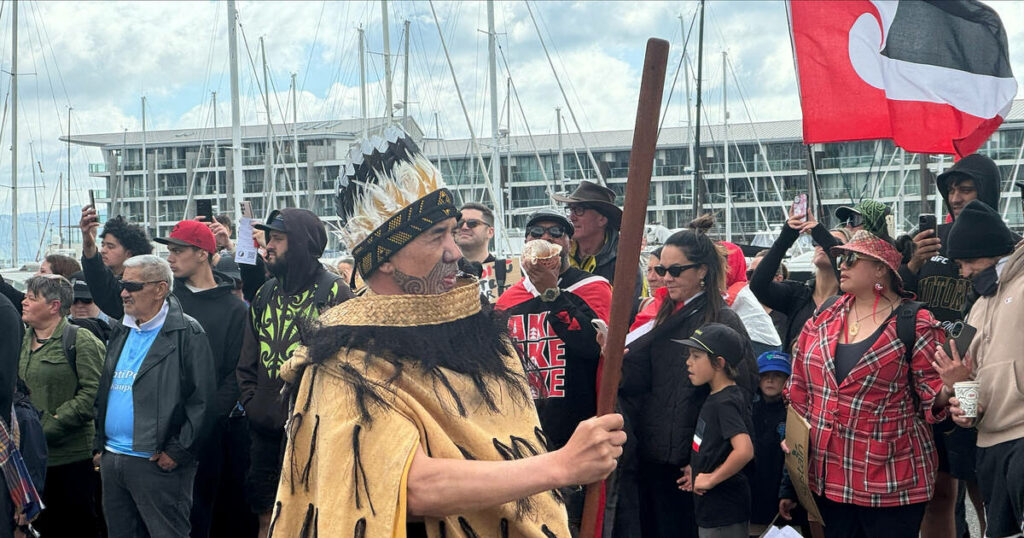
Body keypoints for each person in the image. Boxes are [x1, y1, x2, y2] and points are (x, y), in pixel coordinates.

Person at [269, 128, 623, 536]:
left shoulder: (479, 332)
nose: (454, 250)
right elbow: (409, 485)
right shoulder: (344, 360)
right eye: (437, 236)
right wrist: (561, 466)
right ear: (384, 259)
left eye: (453, 231)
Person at [780, 231, 952, 538]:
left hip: (891, 480)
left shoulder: (916, 322)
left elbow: (932, 399)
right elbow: (799, 389)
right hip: (828, 477)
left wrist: (952, 387)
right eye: (840, 258)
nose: (841, 265)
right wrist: (794, 446)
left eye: (851, 258)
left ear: (880, 268)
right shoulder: (824, 315)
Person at [616, 214, 757, 538]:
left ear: (702, 271)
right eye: (662, 270)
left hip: (693, 465)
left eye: (676, 270)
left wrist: (707, 463)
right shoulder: (665, 314)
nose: (666, 277)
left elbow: (739, 396)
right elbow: (643, 381)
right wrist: (617, 363)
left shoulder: (722, 319)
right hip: (658, 458)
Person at [901, 154, 1007, 538]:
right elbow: (896, 298)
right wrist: (911, 263)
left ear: (988, 191)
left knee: (987, 490)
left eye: (967, 188)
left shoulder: (1005, 247)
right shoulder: (931, 243)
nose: (957, 197)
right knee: (939, 491)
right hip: (929, 383)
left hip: (981, 382)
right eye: (951, 191)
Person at [235, 208, 353, 537]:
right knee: (266, 518)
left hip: (316, 431)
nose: (268, 246)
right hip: (265, 433)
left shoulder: (336, 294)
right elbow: (248, 360)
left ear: (300, 243)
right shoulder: (264, 294)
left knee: (313, 520)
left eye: (277, 239)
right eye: (267, 238)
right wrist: (254, 405)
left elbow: (350, 367)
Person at [495, 208, 612, 532]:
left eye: (555, 233)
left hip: (576, 427)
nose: (545, 238)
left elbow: (591, 346)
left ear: (568, 245)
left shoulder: (593, 287)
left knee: (573, 523)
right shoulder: (508, 299)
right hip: (523, 429)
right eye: (536, 233)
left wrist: (550, 290)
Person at [92, 255, 216, 538]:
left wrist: (178, 451)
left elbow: (204, 401)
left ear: (159, 289)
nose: (123, 292)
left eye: (132, 286)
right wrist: (100, 446)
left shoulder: (187, 331)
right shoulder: (123, 328)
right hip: (113, 458)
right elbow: (106, 387)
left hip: (155, 461)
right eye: (122, 284)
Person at [153, 220, 250, 538]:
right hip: (157, 435)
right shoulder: (163, 304)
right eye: (169, 251)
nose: (170, 258)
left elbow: (234, 379)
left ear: (202, 254)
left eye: (177, 251)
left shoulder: (235, 310)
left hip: (209, 438)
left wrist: (190, 437)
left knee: (206, 521)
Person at [938, 199, 1023, 538]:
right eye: (960, 263)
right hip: (987, 442)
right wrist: (959, 393)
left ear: (994, 252)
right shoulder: (978, 304)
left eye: (970, 260)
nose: (965, 271)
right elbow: (962, 373)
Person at [18, 275, 105, 537]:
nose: (23, 302)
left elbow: (94, 393)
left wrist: (50, 424)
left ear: (54, 306)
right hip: (29, 461)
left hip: (70, 460)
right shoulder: (21, 341)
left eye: (31, 298)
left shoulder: (81, 340)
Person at [677, 323, 755, 538]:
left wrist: (711, 478)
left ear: (719, 363)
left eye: (696, 356)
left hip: (724, 511)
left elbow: (744, 450)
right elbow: (711, 444)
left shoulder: (725, 403)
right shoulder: (716, 397)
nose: (688, 362)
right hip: (711, 509)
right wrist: (697, 467)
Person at [749, 209, 845, 353]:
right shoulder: (798, 295)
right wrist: (786, 238)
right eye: (816, 241)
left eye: (833, 242)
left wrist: (821, 234)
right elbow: (758, 286)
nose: (821, 245)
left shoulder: (851, 297)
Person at [553, 180, 646, 300]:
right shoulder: (560, 254)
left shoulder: (624, 263)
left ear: (602, 219)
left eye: (579, 210)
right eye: (570, 210)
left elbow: (633, 310)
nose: (572, 217)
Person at [747, 351, 792, 537]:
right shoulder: (749, 411)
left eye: (777, 375)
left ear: (788, 380)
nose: (770, 380)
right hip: (753, 490)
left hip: (780, 492)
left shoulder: (792, 414)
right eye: (765, 375)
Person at [79, 210, 154, 320]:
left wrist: (90, 249)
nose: (103, 250)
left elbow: (103, 282)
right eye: (103, 245)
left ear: (129, 253)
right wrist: (88, 242)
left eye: (110, 246)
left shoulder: (140, 286)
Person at [721, 242, 782, 357]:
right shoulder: (739, 290)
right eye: (750, 274)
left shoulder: (737, 290)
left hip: (760, 345)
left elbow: (718, 309)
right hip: (759, 342)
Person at [453, 202, 496, 266]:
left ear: (490, 232)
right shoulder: (442, 272)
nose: (464, 227)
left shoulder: (505, 273)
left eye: (472, 223)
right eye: (459, 223)